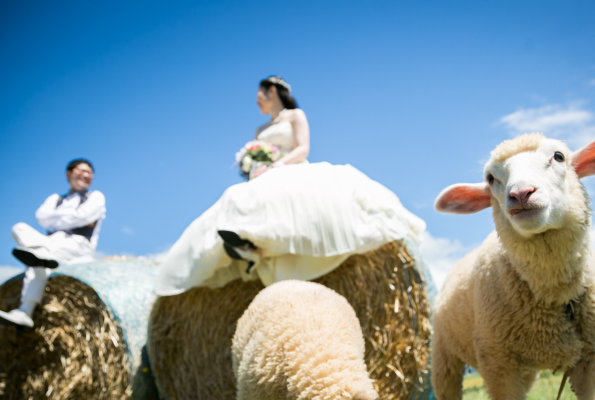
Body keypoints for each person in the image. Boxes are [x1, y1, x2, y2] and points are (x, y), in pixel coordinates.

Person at [154, 76, 424, 296]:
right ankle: (249, 245)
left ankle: (260, 245)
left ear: (271, 90)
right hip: (263, 176)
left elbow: (303, 148)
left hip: (290, 168)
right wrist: (255, 169)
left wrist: (276, 166)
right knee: (234, 197)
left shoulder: (296, 115)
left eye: (259, 95)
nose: (256, 101)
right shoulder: (260, 131)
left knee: (294, 204)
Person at [0, 159, 106, 328]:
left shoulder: (96, 196)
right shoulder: (55, 199)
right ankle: (42, 256)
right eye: (81, 171)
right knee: (19, 228)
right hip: (52, 242)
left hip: (78, 246)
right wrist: (71, 218)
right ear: (69, 173)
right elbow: (42, 218)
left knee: (37, 256)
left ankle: (26, 309)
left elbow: (83, 216)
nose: (86, 175)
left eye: (89, 172)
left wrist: (57, 220)